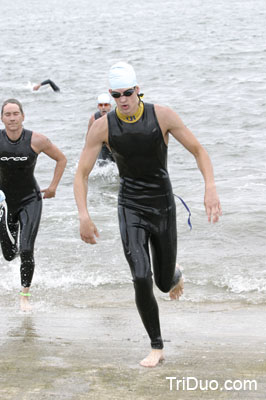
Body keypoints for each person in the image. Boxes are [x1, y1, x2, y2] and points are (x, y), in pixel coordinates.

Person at [74, 62, 222, 368]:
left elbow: (199, 151)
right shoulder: (102, 126)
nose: (123, 99)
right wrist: (83, 214)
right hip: (129, 205)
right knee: (141, 276)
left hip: (162, 205)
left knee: (164, 283)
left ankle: (174, 274)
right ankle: (157, 346)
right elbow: (82, 174)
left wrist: (210, 188)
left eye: (128, 92)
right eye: (116, 95)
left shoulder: (162, 116)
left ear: (137, 89)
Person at [0, 99, 67, 311]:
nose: (12, 118)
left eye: (15, 114)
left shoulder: (36, 140)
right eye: (7, 114)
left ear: (23, 116)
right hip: (4, 203)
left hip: (30, 199)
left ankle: (24, 297)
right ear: (2, 118)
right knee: (10, 254)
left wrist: (53, 186)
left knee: (27, 248)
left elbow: (61, 159)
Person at [86, 93, 114, 164]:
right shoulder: (94, 118)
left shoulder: (115, 117)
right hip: (102, 148)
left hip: (114, 146)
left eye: (106, 105)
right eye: (101, 105)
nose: (103, 107)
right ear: (98, 107)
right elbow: (88, 137)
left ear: (110, 106)